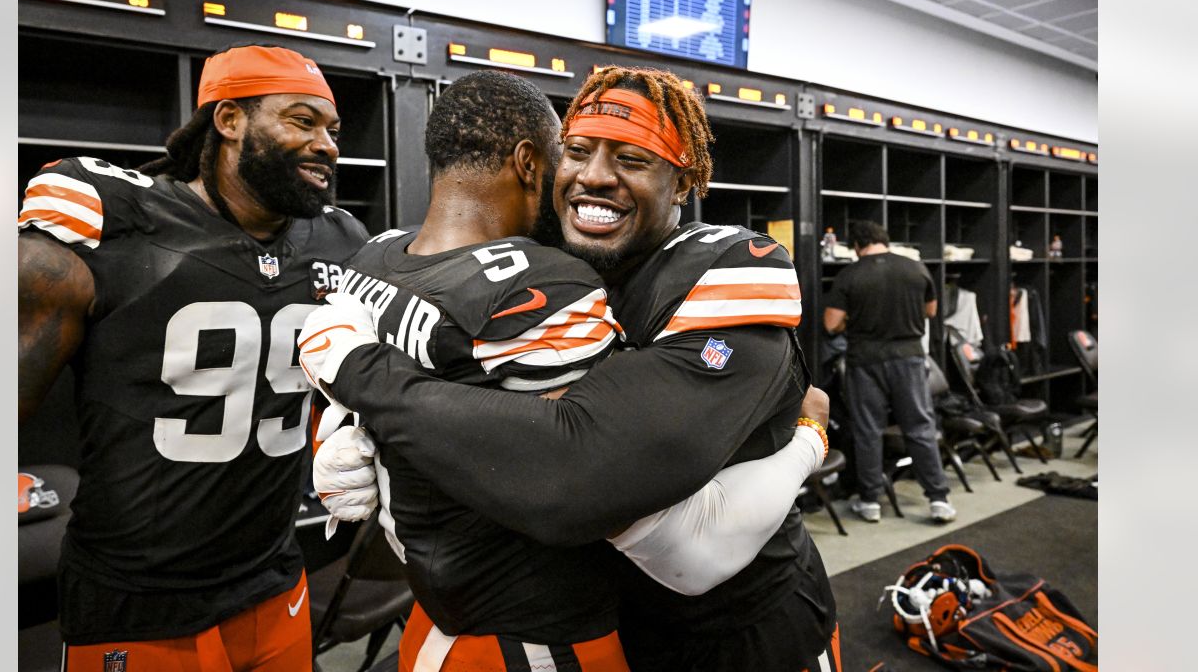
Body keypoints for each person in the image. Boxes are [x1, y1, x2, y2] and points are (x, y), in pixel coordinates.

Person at [300, 66, 841, 672]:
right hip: (609, 626)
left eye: (632, 159)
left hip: (742, 629)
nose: (595, 176)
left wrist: (362, 375)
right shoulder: (546, 260)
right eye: (578, 152)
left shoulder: (727, 265)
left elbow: (588, 480)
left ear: (682, 182)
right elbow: (471, 406)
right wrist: (359, 437)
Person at [17, 43, 370, 671]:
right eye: (301, 121)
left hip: (273, 576)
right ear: (229, 120)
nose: (327, 145)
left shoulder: (337, 238)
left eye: (333, 129)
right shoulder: (118, 223)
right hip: (140, 600)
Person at [822, 220, 956, 524]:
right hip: (908, 357)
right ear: (885, 240)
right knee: (920, 428)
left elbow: (831, 324)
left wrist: (854, 321)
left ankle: (870, 502)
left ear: (857, 246)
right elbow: (932, 311)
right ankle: (938, 499)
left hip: (865, 360)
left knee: (868, 431)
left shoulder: (850, 274)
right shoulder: (916, 268)